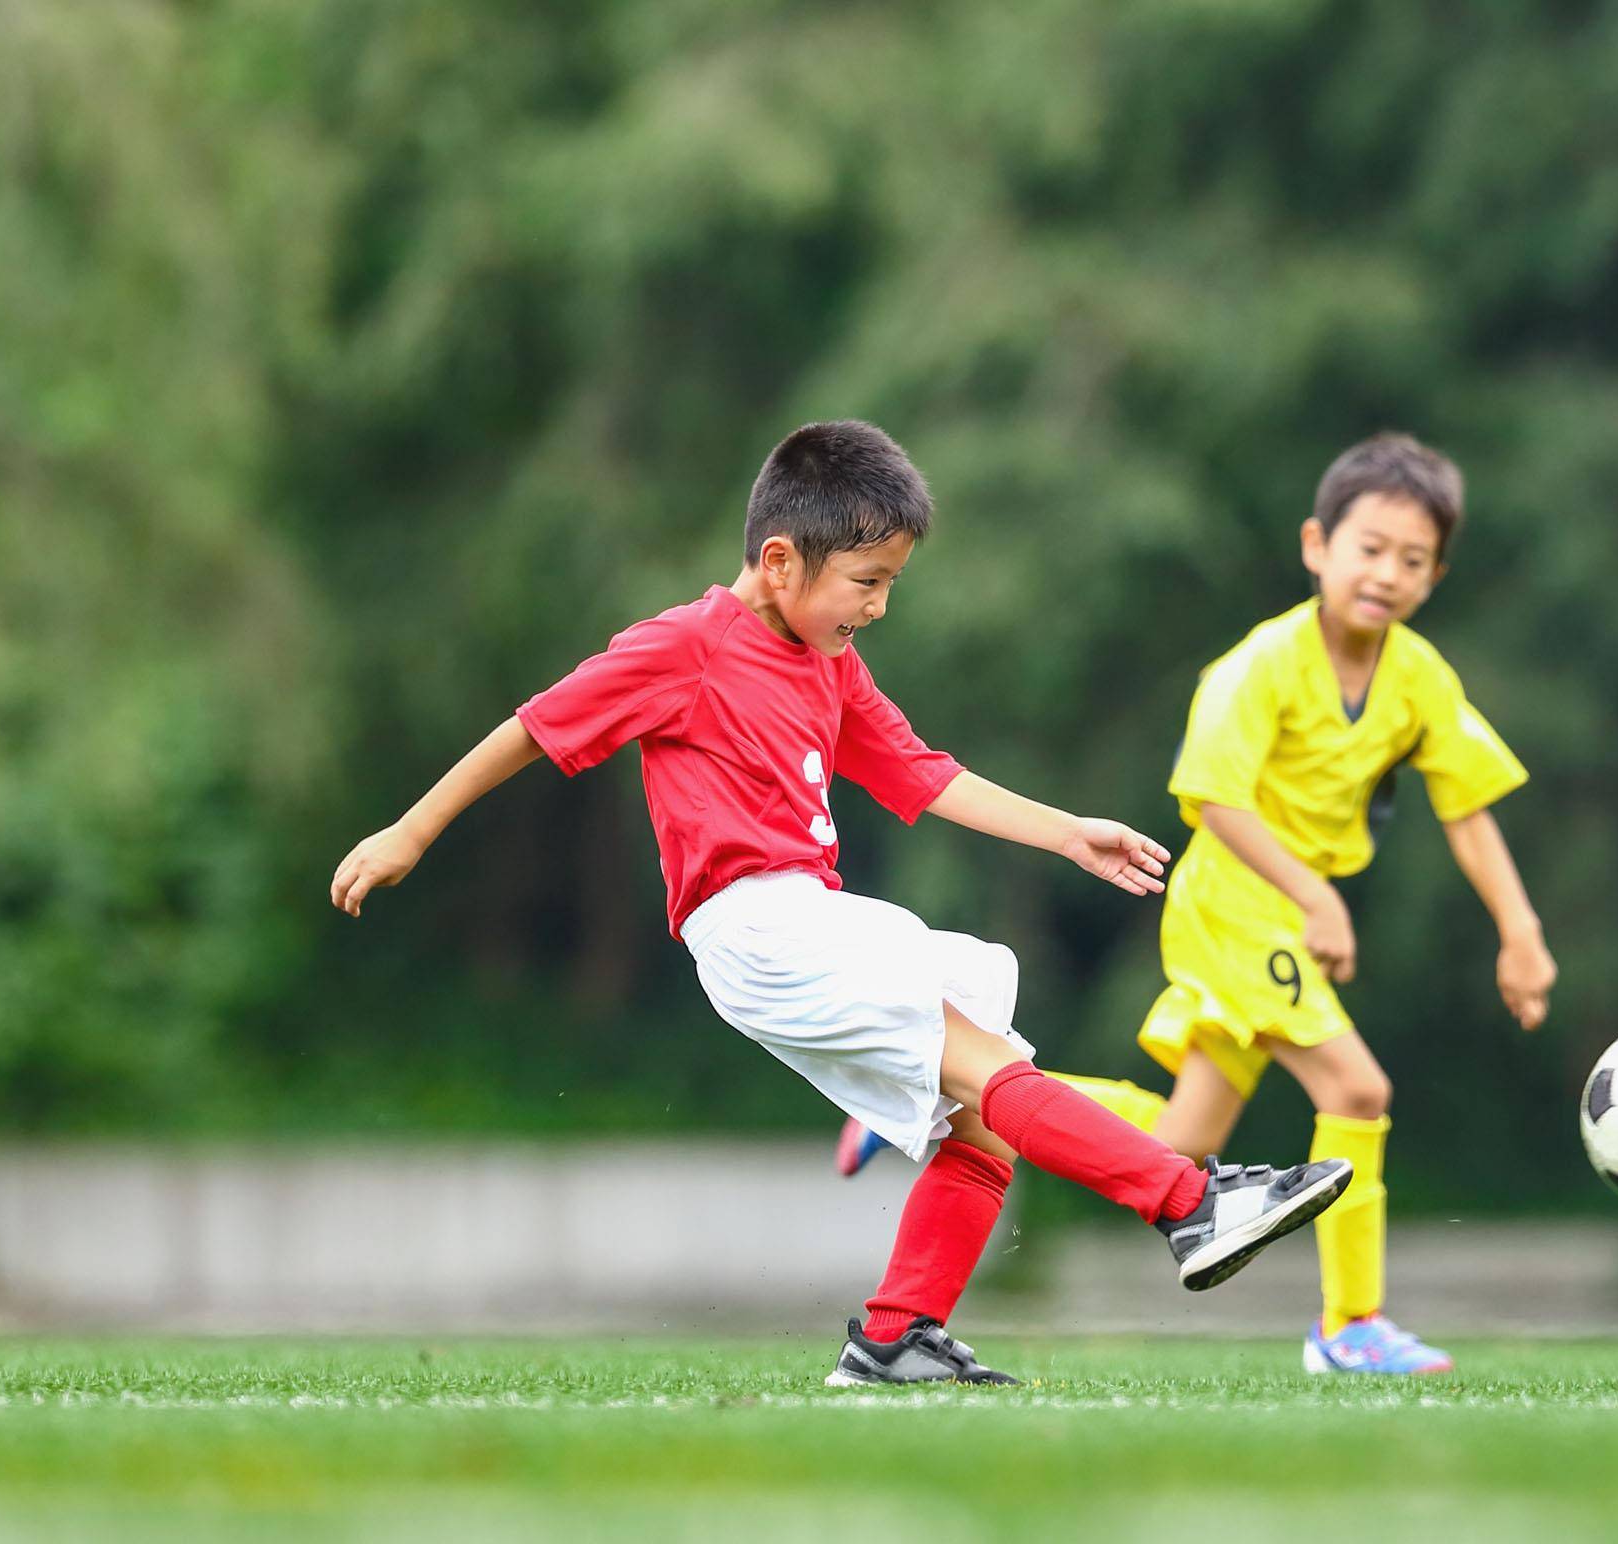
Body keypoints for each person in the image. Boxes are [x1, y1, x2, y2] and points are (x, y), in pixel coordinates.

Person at [330, 420, 1351, 1386]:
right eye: (867, 581)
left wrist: (1066, 829)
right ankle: (1190, 1202)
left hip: (813, 915)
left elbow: (919, 771)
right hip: (755, 926)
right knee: (987, 1062)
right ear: (781, 561)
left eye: (889, 582)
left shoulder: (830, 661)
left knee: (983, 1112)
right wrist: (411, 829)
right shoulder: (682, 646)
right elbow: (534, 725)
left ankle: (898, 1334)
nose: (878, 604)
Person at [837, 432, 1552, 1376]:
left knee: (1183, 1137)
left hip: (1288, 913)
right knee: (1356, 1088)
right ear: (1315, 547)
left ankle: (937, 1089)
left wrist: (1520, 929)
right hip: (1237, 902)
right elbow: (1212, 798)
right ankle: (1351, 1329)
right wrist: (1314, 898)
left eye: (1412, 560)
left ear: (1436, 574)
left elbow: (1466, 808)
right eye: (1369, 548)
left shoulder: (1418, 676)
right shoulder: (1261, 665)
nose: (1387, 574)